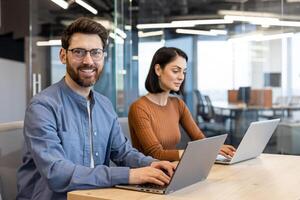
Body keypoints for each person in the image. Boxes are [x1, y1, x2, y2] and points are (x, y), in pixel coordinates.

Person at [16, 17, 176, 200]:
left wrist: (152, 164)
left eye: (96, 52)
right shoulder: (42, 107)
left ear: (103, 57)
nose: (88, 60)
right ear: (63, 55)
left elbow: (123, 152)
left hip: (94, 196)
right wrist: (130, 175)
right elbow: (57, 173)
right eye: (78, 52)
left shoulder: (104, 105)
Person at [128, 47, 236, 161]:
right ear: (158, 69)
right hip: (151, 174)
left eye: (183, 72)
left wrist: (214, 148)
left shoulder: (177, 104)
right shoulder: (139, 108)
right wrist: (200, 152)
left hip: (174, 169)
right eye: (175, 71)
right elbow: (156, 154)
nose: (181, 77)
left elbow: (199, 138)